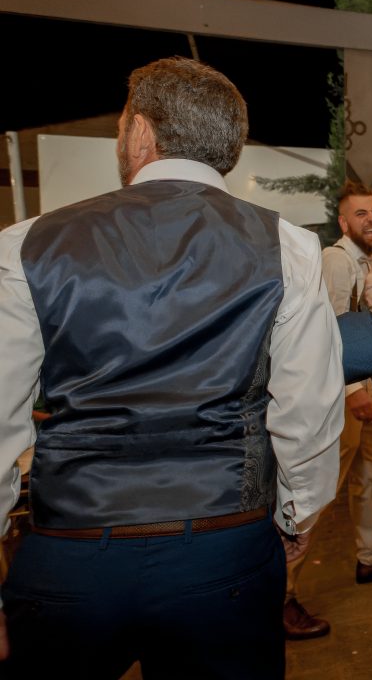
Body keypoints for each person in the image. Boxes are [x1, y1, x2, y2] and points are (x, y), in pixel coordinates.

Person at [0, 57, 345, 678]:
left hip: (73, 552)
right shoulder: (287, 245)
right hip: (223, 546)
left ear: (139, 133)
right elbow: (309, 408)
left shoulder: (27, 244)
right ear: (231, 149)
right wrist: (298, 515)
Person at [282, 183, 372, 640]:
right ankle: (281, 593)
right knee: (319, 495)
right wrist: (356, 391)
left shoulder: (368, 260)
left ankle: (371, 555)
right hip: (340, 395)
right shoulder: (336, 261)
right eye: (360, 215)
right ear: (343, 224)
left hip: (360, 393)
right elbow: (332, 331)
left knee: (370, 476)